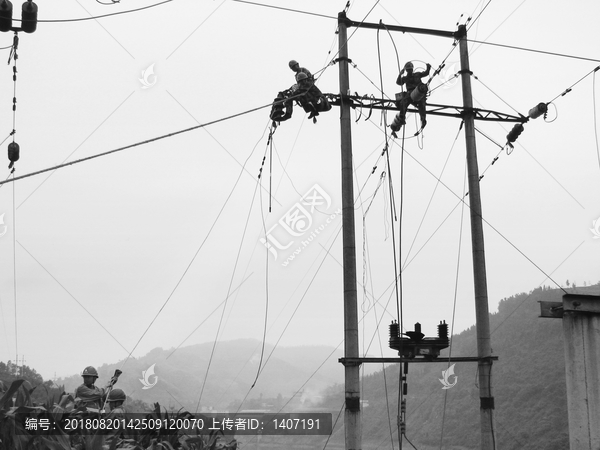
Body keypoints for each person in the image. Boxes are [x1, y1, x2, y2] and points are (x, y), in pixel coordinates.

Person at [391, 61, 431, 133]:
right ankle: (402, 117)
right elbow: (398, 82)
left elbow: (426, 73)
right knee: (404, 102)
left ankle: (423, 119)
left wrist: (428, 68)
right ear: (406, 70)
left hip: (417, 93)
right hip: (410, 94)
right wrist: (400, 74)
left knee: (421, 105)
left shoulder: (416, 75)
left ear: (412, 69)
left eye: (410, 69)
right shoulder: (406, 78)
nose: (409, 71)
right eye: (408, 70)